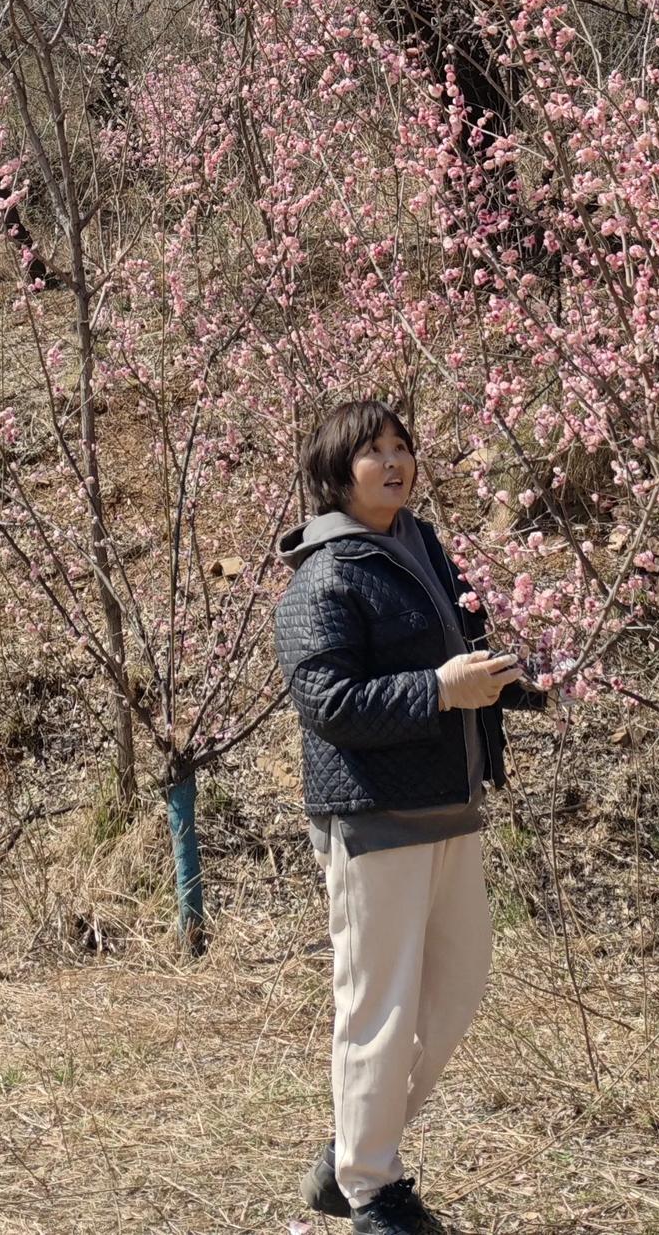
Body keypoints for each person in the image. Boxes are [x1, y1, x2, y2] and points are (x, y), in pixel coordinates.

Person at [275, 396, 544, 1234]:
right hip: (375, 815)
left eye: (402, 445)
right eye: (373, 450)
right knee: (378, 1007)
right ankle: (371, 1190)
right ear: (336, 471)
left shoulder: (421, 545)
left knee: (456, 992)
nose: (394, 461)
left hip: (451, 803)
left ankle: (355, 1145)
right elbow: (327, 699)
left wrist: (522, 679)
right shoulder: (326, 571)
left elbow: (468, 645)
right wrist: (438, 690)